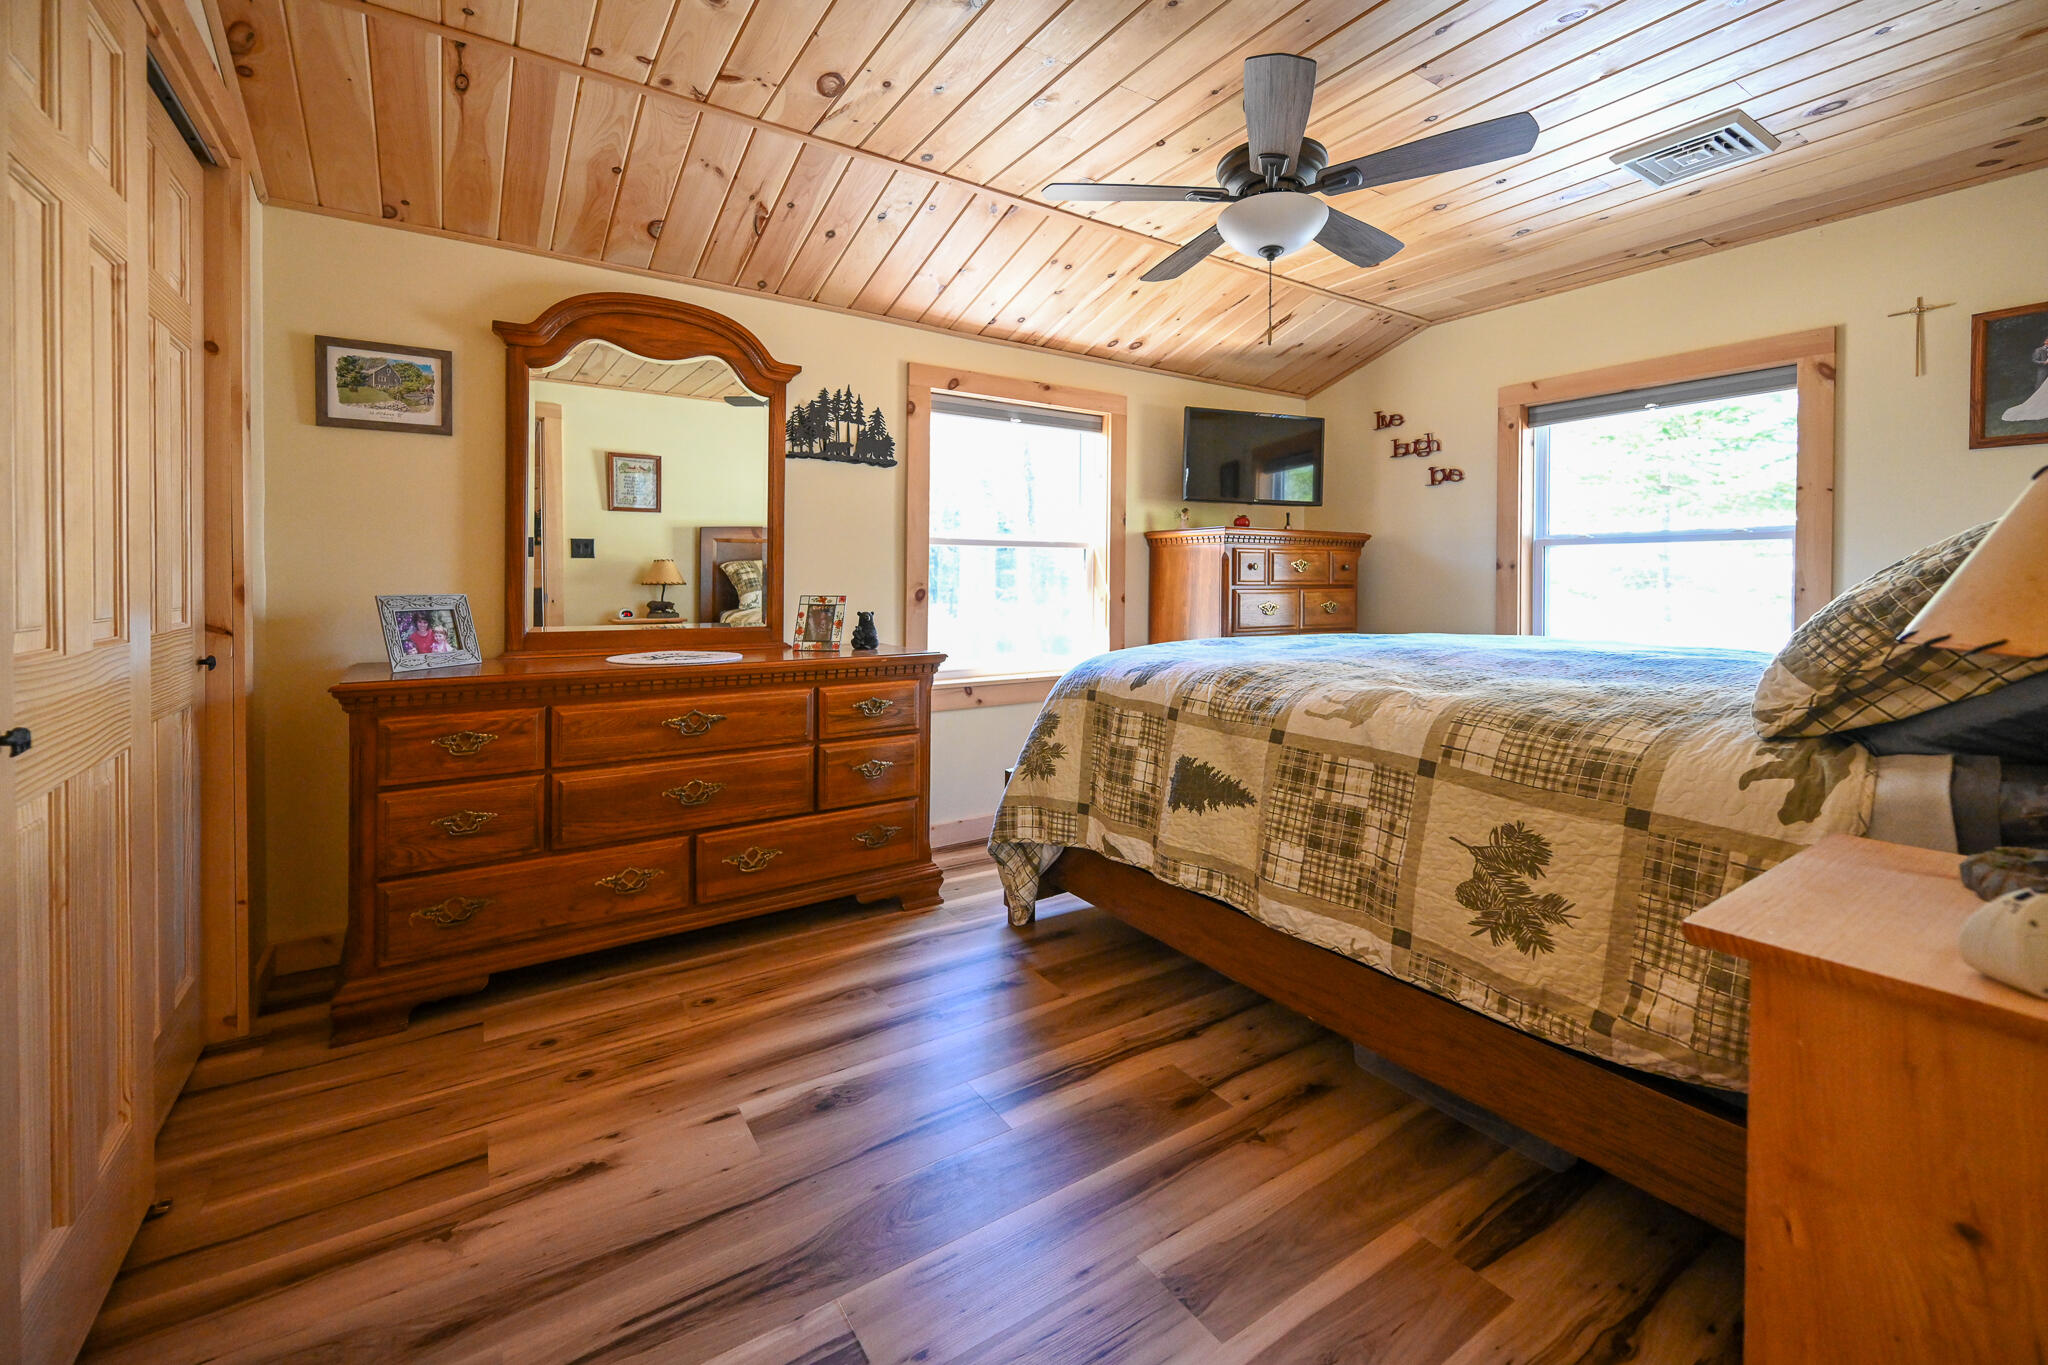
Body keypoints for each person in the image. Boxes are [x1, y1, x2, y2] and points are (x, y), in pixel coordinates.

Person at [2001, 332, 2048, 424]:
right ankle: (2038, 406)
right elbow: (2034, 361)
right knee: (2039, 390)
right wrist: (2044, 363)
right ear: (2045, 341)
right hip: (2043, 372)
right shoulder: (2038, 350)